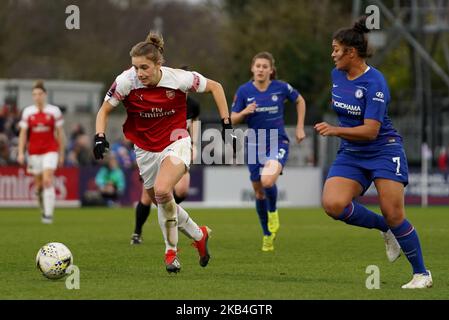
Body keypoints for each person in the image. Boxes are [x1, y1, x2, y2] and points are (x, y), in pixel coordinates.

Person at [94, 31, 235, 273]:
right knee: (163, 203)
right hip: (144, 149)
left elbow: (216, 87)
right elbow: (104, 110)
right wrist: (99, 136)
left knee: (161, 191)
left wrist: (226, 123)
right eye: (136, 67)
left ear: (159, 64)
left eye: (145, 67)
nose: (139, 73)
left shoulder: (179, 79)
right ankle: (198, 234)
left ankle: (171, 252)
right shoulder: (126, 81)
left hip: (176, 141)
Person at [314, 16, 432, 289]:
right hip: (352, 153)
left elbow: (370, 131)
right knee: (333, 205)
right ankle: (385, 228)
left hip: (383, 149)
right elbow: (343, 102)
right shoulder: (336, 75)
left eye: (336, 49)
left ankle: (421, 274)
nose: (332, 55)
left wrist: (335, 129)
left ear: (351, 52)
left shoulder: (376, 82)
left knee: (394, 212)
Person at [231, 52, 306, 252]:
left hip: (277, 141)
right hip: (254, 144)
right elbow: (231, 119)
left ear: (271, 70)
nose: (261, 69)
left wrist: (299, 127)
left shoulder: (281, 87)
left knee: (267, 181)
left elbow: (300, 100)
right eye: (258, 66)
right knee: (258, 191)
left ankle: (273, 212)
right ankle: (267, 234)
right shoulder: (244, 91)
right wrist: (245, 112)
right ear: (252, 68)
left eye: (265, 66)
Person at [130, 89, 201, 245]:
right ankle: (137, 232)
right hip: (156, 151)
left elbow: (195, 123)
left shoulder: (193, 105)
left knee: (182, 189)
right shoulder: (163, 101)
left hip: (178, 151)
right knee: (147, 196)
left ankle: (170, 215)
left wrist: (194, 145)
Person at [17, 80, 66, 224]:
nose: (37, 97)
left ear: (45, 94)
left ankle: (48, 216)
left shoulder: (54, 111)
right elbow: (23, 134)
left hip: (50, 150)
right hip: (33, 153)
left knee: (47, 180)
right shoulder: (28, 112)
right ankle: (44, 208)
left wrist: (61, 154)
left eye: (39, 94)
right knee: (38, 186)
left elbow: (60, 134)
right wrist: (20, 152)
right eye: (34, 94)